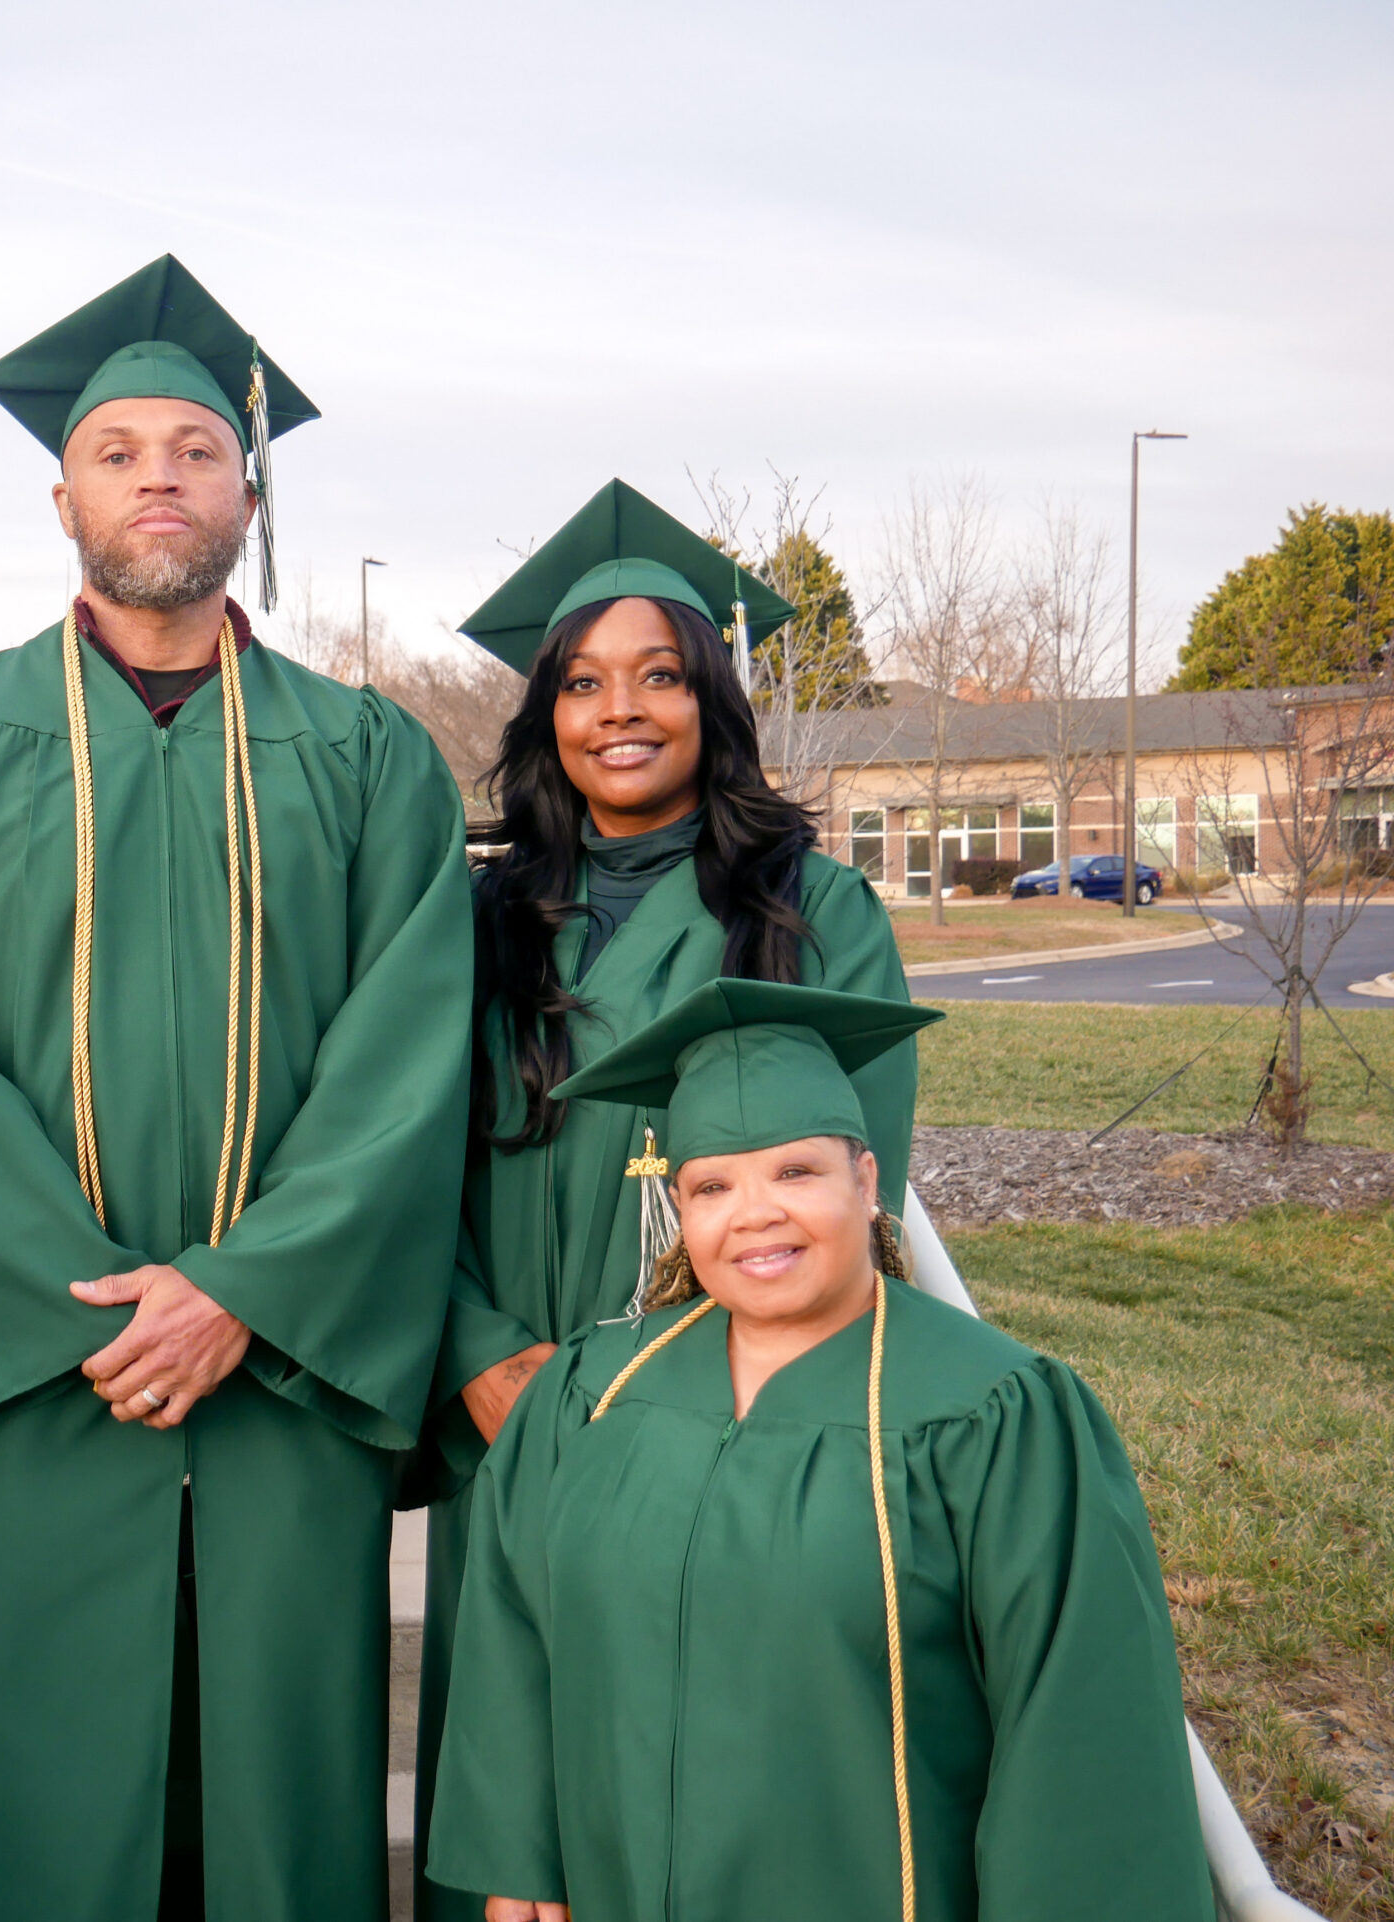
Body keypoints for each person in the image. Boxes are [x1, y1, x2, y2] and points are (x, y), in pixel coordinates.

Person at [0, 255, 472, 1921]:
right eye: (121, 451)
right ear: (62, 496)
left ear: (249, 486)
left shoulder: (368, 755)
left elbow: (408, 1064)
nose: (159, 477)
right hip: (44, 1377)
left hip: (283, 1379)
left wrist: (245, 1293)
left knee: (277, 1813)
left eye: (195, 446)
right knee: (21, 1821)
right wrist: (109, 1316)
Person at [428, 979, 1214, 1922]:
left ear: (867, 1181)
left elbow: (1082, 1730)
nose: (754, 1214)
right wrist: (519, 1859)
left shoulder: (997, 1415)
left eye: (796, 1172)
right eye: (713, 1185)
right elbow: (515, 1626)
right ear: (680, 1208)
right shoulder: (594, 1390)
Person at [408, 479, 918, 1914]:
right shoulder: (472, 918)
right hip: (516, 1405)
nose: (618, 709)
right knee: (517, 1787)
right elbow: (394, 1168)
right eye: (581, 681)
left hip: (742, 1416)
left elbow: (851, 1193)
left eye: (658, 676)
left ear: (712, 700)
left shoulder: (817, 909)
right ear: (543, 714)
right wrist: (473, 1354)